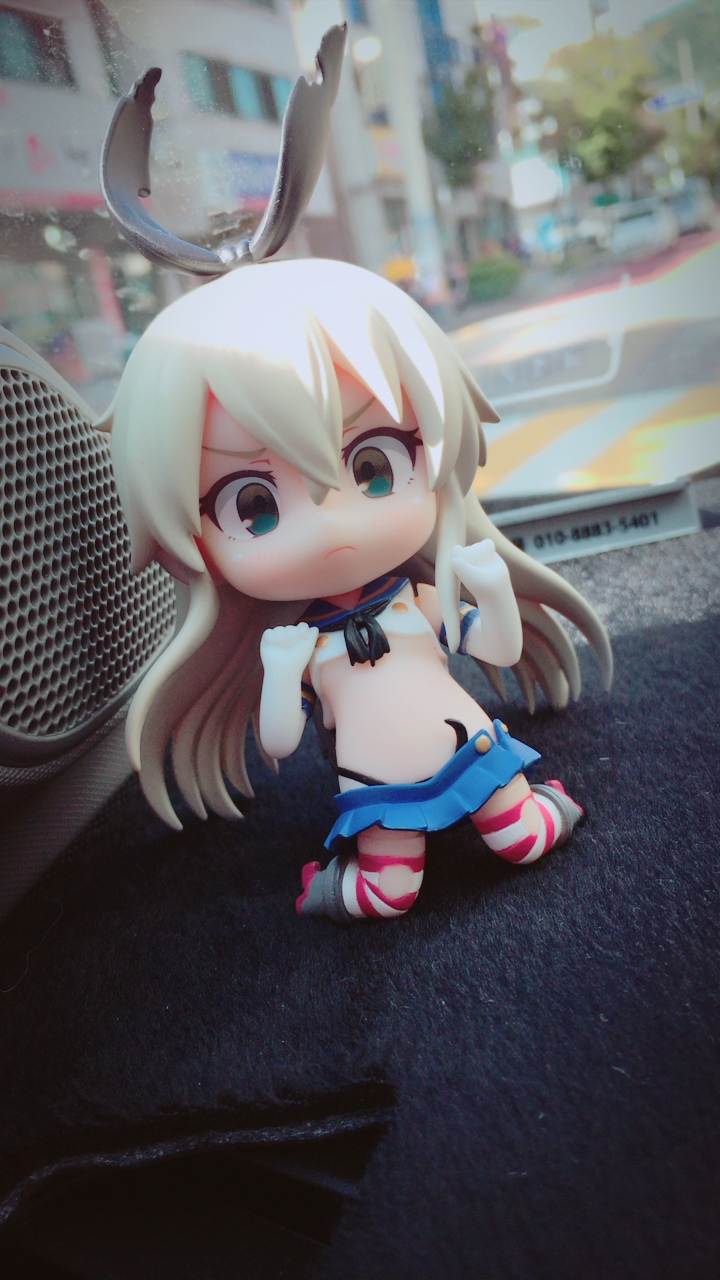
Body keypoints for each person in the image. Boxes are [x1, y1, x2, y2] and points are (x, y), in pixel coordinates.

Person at [99, 256, 612, 922]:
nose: (329, 523)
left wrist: (490, 593)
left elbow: (497, 647)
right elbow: (278, 741)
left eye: (374, 467)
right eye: (252, 506)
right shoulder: (303, 647)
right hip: (377, 788)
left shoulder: (415, 600)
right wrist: (281, 671)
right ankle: (326, 886)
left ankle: (549, 806)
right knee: (388, 895)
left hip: (471, 748)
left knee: (525, 839)